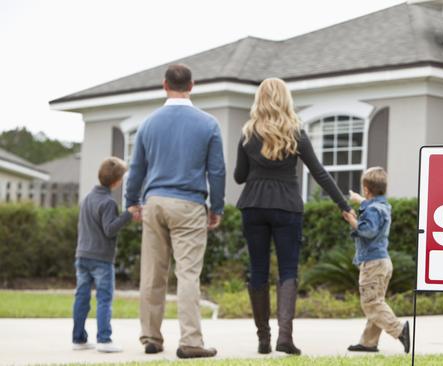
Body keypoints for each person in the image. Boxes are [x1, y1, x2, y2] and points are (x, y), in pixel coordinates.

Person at [234, 78, 354, 355]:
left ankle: (263, 339)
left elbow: (239, 177)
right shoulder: (295, 133)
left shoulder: (247, 134)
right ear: (286, 99)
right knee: (288, 270)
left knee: (258, 270)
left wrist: (256, 167)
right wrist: (344, 206)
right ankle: (284, 337)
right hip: (287, 206)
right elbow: (319, 172)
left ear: (259, 100)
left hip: (253, 204)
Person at [125, 64, 225, 359]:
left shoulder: (148, 123)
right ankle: (191, 341)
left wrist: (131, 201)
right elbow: (217, 171)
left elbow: (136, 169)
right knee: (188, 274)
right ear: (191, 85)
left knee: (153, 273)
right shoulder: (208, 124)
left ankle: (151, 338)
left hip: (154, 202)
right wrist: (216, 207)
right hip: (189, 204)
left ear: (164, 85)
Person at [342, 167, 410, 354]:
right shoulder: (383, 206)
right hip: (382, 262)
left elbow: (368, 231)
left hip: (372, 263)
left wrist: (351, 220)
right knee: (376, 301)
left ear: (366, 189)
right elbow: (373, 208)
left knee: (371, 303)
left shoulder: (372, 209)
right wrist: (360, 200)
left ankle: (400, 330)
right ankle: (368, 342)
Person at [72, 157, 137, 353]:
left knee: (81, 298)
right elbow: (110, 230)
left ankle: (78, 339)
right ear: (117, 182)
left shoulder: (87, 199)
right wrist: (128, 214)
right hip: (101, 259)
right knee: (104, 299)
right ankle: (104, 339)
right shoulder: (108, 202)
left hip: (82, 256)